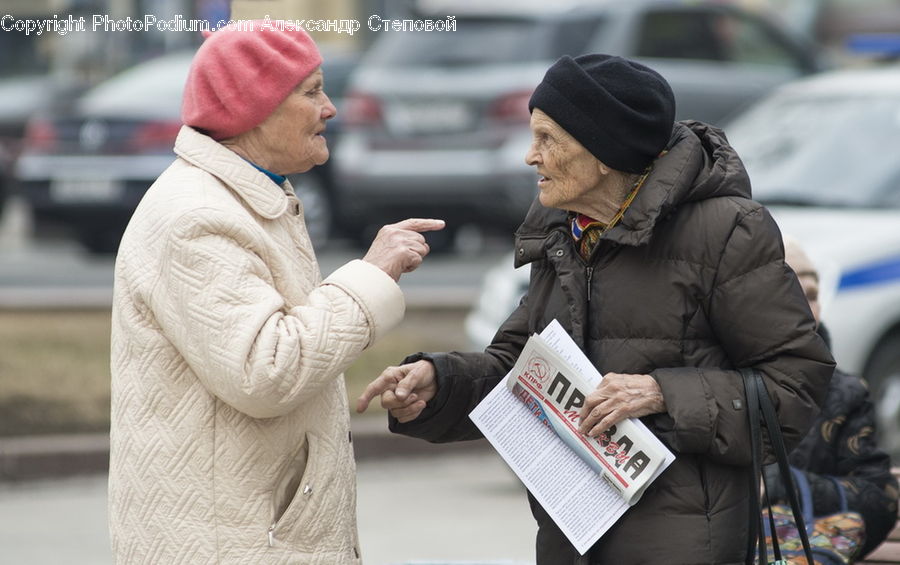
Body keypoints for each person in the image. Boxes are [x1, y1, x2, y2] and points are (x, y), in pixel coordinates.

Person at [356, 54, 835, 564]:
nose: (529, 157)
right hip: (572, 536)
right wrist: (439, 381)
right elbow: (524, 367)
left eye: (547, 140)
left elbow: (796, 384)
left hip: (685, 543)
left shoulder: (726, 231)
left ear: (605, 152)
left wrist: (662, 393)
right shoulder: (564, 228)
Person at [107, 22, 444, 564]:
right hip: (231, 543)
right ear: (252, 107)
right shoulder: (199, 217)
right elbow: (266, 371)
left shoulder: (243, 195)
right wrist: (370, 278)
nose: (330, 108)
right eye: (311, 91)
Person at [763, 237, 898, 558]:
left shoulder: (843, 393)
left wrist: (781, 485)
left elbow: (879, 497)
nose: (807, 306)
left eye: (811, 293)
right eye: (788, 289)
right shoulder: (702, 381)